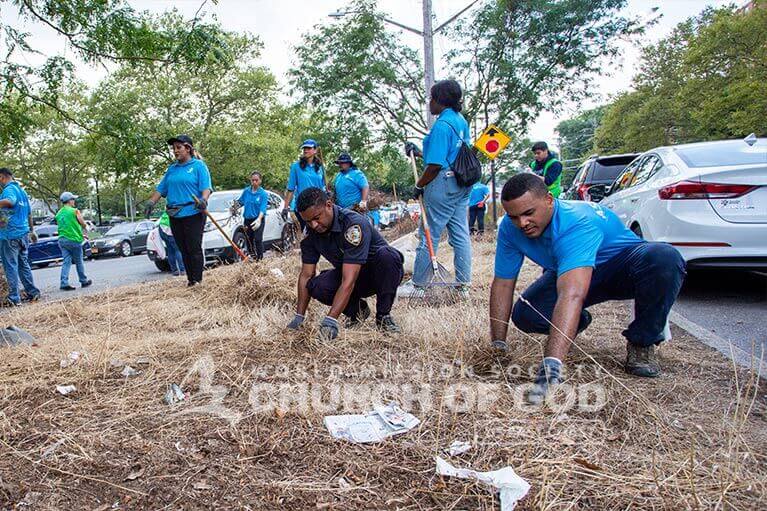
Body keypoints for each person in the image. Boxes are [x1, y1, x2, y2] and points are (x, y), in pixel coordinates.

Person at [489, 173, 686, 404]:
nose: (522, 223)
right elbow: (503, 284)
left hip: (620, 268)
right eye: (514, 217)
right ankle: (573, 323)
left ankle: (642, 342)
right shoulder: (510, 230)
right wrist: (498, 346)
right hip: (570, 268)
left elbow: (571, 294)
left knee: (664, 258)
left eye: (529, 213)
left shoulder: (576, 221)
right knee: (526, 314)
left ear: (549, 200)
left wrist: (550, 369)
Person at [286, 187, 403, 340]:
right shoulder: (311, 234)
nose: (314, 225)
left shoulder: (353, 224)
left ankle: (383, 316)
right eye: (308, 221)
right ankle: (358, 311)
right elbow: (306, 275)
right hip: (349, 276)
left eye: (317, 218)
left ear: (328, 205)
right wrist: (299, 317)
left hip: (379, 275)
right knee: (316, 285)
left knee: (388, 256)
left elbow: (349, 279)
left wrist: (330, 320)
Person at [401, 79, 472, 295]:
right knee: (460, 234)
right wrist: (419, 151)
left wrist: (419, 185)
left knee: (428, 233)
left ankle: (419, 285)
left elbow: (435, 166)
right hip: (460, 183)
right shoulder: (460, 121)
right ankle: (463, 286)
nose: (429, 103)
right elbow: (448, 155)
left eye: (431, 98)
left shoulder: (442, 125)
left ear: (440, 100)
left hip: (443, 183)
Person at [144, 135, 212, 287]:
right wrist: (151, 202)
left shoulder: (198, 166)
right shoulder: (172, 170)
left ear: (188, 148)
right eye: (173, 148)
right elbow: (161, 189)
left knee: (193, 248)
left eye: (178, 147)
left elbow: (206, 188)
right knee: (183, 249)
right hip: (175, 214)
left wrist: (204, 200)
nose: (175, 151)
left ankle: (198, 280)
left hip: (193, 213)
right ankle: (191, 280)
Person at [0, 167, 40, 306]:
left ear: (2, 177)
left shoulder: (9, 190)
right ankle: (33, 292)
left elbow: (10, 202)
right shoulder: (22, 192)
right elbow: (29, 214)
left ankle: (14, 298)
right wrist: (32, 231)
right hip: (23, 234)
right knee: (24, 265)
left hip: (10, 235)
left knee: (10, 266)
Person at [283, 139, 326, 230]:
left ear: (315, 150)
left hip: (318, 205)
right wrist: (285, 208)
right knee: (307, 234)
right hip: (303, 207)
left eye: (309, 148)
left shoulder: (320, 167)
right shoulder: (296, 166)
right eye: (304, 148)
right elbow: (291, 188)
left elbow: (323, 187)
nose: (305, 150)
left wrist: (327, 194)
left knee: (320, 233)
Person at [55, 192, 92, 291]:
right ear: (70, 201)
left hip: (62, 240)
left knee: (66, 262)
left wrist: (80, 234)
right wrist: (86, 228)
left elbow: (67, 227)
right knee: (79, 261)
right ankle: (83, 281)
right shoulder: (74, 211)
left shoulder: (58, 213)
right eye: (73, 199)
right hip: (74, 240)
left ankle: (64, 282)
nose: (74, 201)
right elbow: (82, 223)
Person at [233, 171, 268, 261]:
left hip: (258, 219)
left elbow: (263, 209)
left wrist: (259, 219)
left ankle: (260, 259)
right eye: (252, 180)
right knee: (249, 239)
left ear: (260, 181)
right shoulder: (246, 191)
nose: (254, 182)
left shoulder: (263, 194)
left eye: (256, 180)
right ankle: (252, 257)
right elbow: (241, 202)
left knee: (257, 239)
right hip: (247, 219)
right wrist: (234, 207)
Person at [158, 212, 185, 276]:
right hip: (170, 229)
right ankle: (182, 270)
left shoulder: (168, 208)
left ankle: (174, 270)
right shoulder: (178, 209)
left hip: (162, 228)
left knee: (170, 251)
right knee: (178, 250)